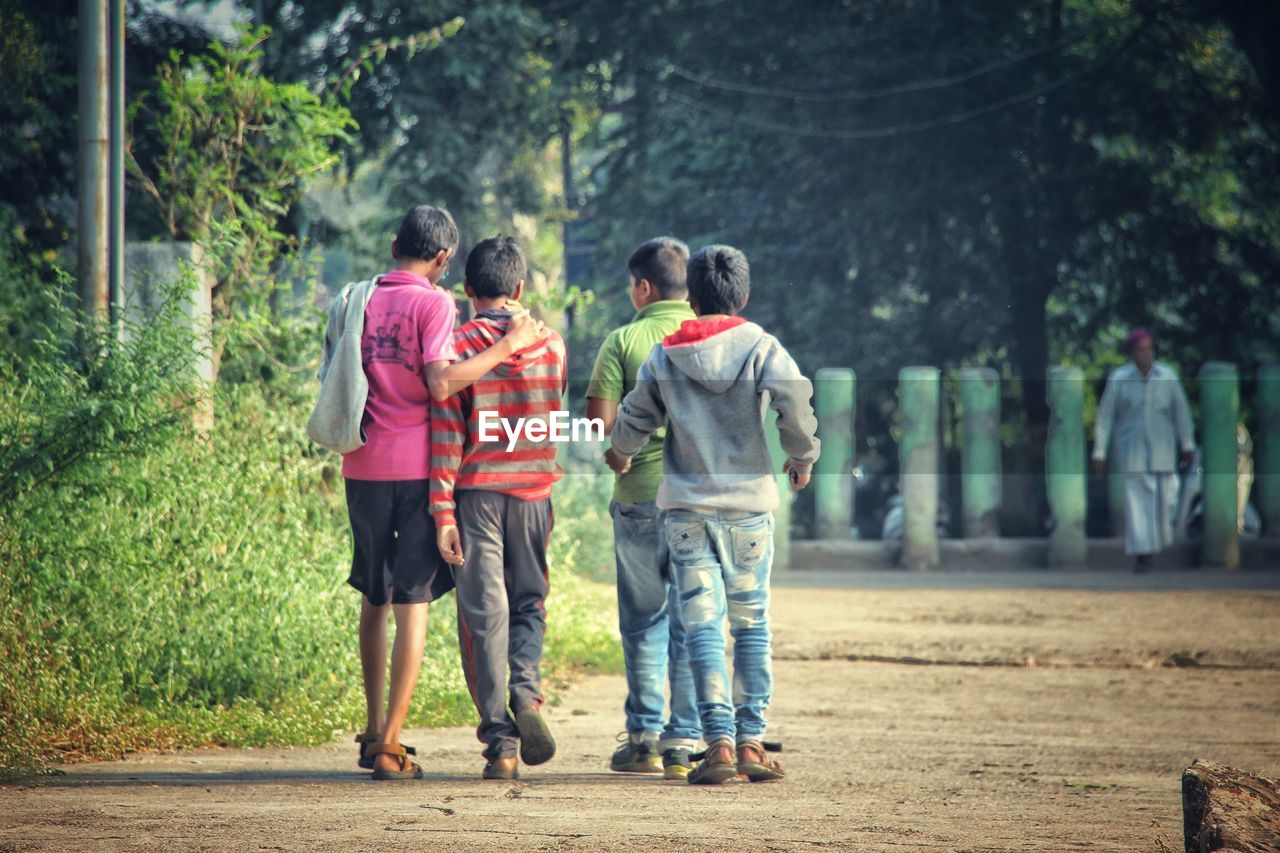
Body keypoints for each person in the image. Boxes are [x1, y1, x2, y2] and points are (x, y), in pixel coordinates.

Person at [324, 206, 543, 781]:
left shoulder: (356, 297)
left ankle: (373, 731)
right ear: (444, 260)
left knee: (373, 595)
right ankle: (393, 743)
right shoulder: (435, 303)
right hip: (416, 467)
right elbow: (442, 381)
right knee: (411, 601)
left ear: (395, 242)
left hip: (361, 463)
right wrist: (509, 343)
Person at [605, 244, 820, 785]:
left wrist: (621, 451)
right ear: (742, 295)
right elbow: (793, 401)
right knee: (750, 626)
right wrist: (801, 455)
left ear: (692, 297)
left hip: (685, 512)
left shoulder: (664, 352)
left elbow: (635, 414)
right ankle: (751, 742)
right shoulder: (760, 346)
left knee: (701, 627)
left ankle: (718, 745)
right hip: (748, 509)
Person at [429, 236, 565, 780]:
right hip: (534, 494)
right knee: (530, 602)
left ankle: (501, 743)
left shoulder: (459, 348)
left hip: (478, 496)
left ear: (467, 290)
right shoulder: (551, 344)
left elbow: (447, 438)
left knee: (485, 616)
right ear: (520, 288)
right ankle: (528, 698)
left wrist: (442, 512)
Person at [586, 238, 702, 779]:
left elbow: (599, 427)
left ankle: (642, 739)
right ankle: (683, 743)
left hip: (637, 498)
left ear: (644, 288)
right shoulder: (709, 334)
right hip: (699, 501)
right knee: (689, 617)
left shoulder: (624, 339)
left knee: (641, 618)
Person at [1092, 328, 1195, 572]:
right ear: (1131, 353)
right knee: (1138, 503)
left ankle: (1158, 543)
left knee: (1168, 497)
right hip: (1132, 452)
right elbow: (1105, 417)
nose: (1145, 354)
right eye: (1140, 349)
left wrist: (1187, 444)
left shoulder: (1167, 376)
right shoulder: (1119, 379)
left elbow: (1181, 413)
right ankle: (1143, 554)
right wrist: (1100, 452)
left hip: (1163, 451)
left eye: (1148, 349)